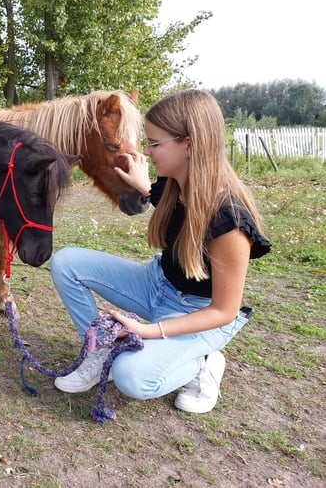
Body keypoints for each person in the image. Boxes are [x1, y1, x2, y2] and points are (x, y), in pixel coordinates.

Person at [50, 89, 271, 413]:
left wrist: (148, 331)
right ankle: (99, 350)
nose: (147, 153)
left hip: (197, 314)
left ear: (189, 144)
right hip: (155, 283)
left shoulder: (230, 220)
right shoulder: (173, 184)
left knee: (133, 379)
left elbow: (223, 311)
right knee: (67, 263)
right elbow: (173, 209)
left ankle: (204, 360)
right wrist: (142, 185)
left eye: (154, 144)